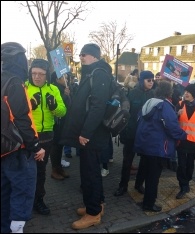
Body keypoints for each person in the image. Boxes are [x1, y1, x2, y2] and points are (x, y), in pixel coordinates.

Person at [60, 43, 112, 230]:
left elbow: (98, 107)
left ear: (95, 57)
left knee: (89, 173)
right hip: (91, 134)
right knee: (91, 172)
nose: (81, 57)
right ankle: (98, 204)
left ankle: (93, 213)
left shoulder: (98, 74)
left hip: (92, 135)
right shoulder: (93, 73)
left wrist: (85, 133)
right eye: (80, 54)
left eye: (84, 54)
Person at [1, 42, 45, 233]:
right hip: (19, 149)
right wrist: (36, 146)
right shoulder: (15, 82)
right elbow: (22, 119)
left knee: (4, 194)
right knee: (23, 191)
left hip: (3, 148)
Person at [134, 80, 188, 211]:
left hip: (144, 143)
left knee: (147, 172)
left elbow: (142, 118)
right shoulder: (165, 106)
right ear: (169, 92)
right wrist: (183, 135)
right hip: (157, 147)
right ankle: (149, 204)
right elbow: (171, 126)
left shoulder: (149, 102)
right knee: (153, 177)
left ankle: (145, 198)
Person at [26, 59, 67, 215]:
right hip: (28, 136)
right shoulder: (24, 87)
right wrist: (30, 105)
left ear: (47, 75)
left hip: (47, 136)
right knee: (26, 171)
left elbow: (63, 112)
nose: (37, 77)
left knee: (41, 171)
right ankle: (25, 201)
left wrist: (54, 106)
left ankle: (39, 200)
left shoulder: (53, 89)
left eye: (41, 74)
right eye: (34, 73)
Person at [114, 70, 155, 196]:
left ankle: (138, 184)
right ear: (142, 80)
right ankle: (123, 186)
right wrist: (123, 133)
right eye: (149, 80)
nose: (151, 82)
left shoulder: (153, 95)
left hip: (145, 134)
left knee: (144, 162)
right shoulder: (132, 94)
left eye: (153, 80)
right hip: (132, 133)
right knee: (127, 161)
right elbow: (125, 114)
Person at [175, 84, 195, 199]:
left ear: (194, 94)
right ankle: (183, 186)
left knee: (189, 165)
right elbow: (172, 122)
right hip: (181, 141)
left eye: (188, 92)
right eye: (185, 91)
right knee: (181, 165)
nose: (186, 94)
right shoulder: (180, 105)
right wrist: (176, 114)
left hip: (194, 142)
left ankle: (187, 182)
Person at [49, 72, 73, 180]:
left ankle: (59, 167)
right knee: (55, 146)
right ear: (58, 79)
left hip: (63, 121)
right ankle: (54, 169)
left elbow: (69, 105)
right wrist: (65, 95)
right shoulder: (54, 88)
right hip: (56, 122)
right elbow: (57, 105)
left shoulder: (64, 88)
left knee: (60, 145)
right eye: (65, 78)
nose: (66, 79)